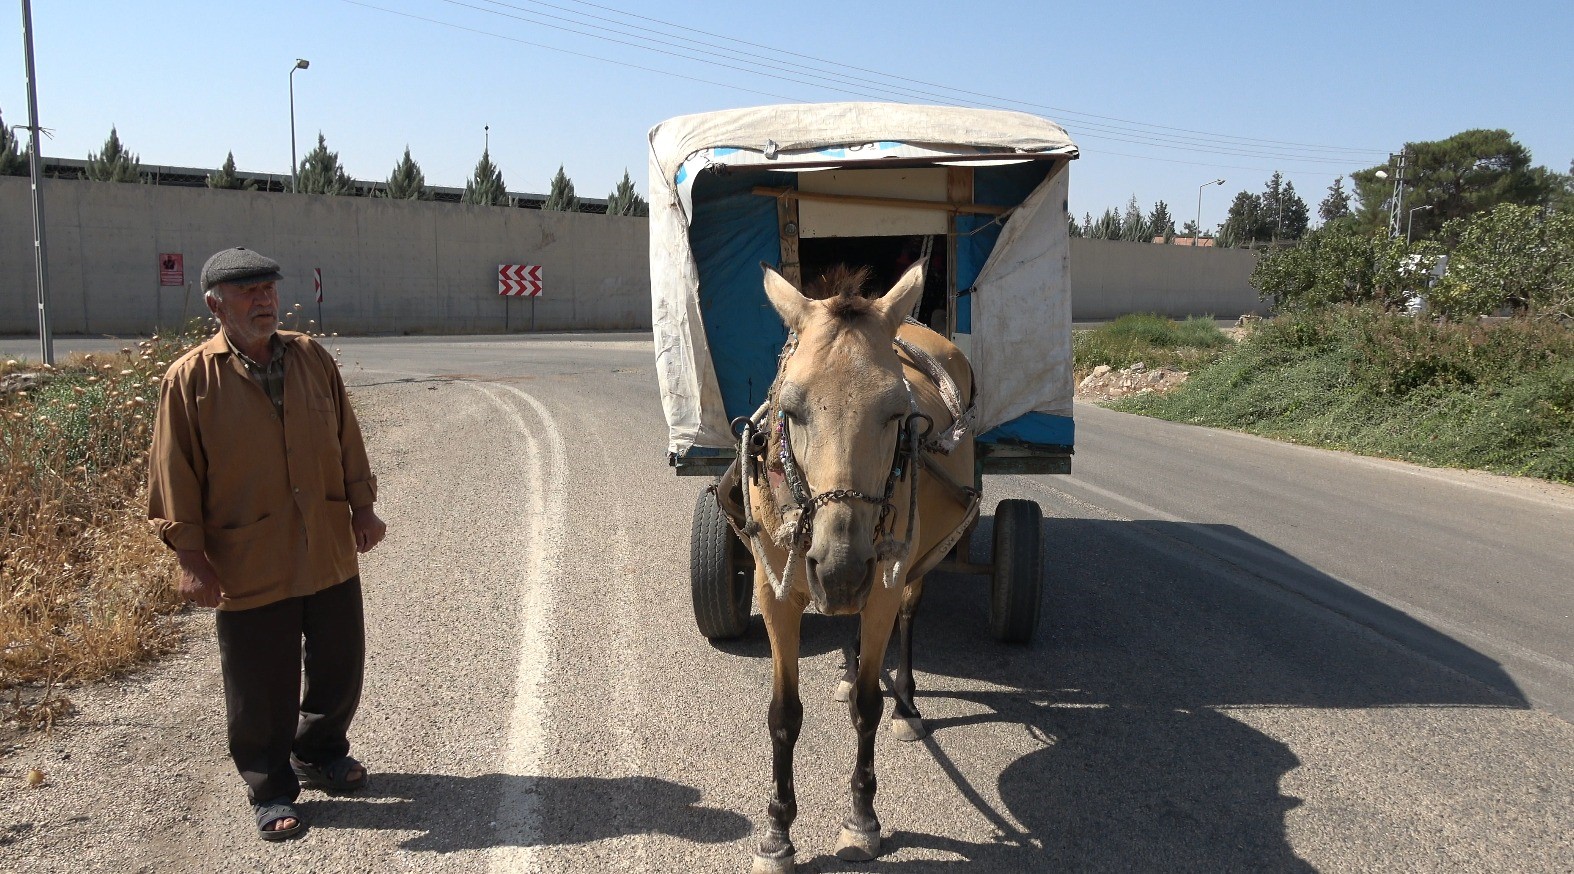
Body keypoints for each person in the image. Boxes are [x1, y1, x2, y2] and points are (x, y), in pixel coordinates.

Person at [147, 247, 387, 841]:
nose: (264, 301)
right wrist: (191, 559)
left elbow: (346, 436)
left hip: (325, 542)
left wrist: (363, 507)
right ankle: (270, 784)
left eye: (269, 290)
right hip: (248, 554)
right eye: (248, 292)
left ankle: (319, 751)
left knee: (339, 663)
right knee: (260, 681)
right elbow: (174, 474)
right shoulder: (190, 378)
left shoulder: (310, 357)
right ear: (216, 305)